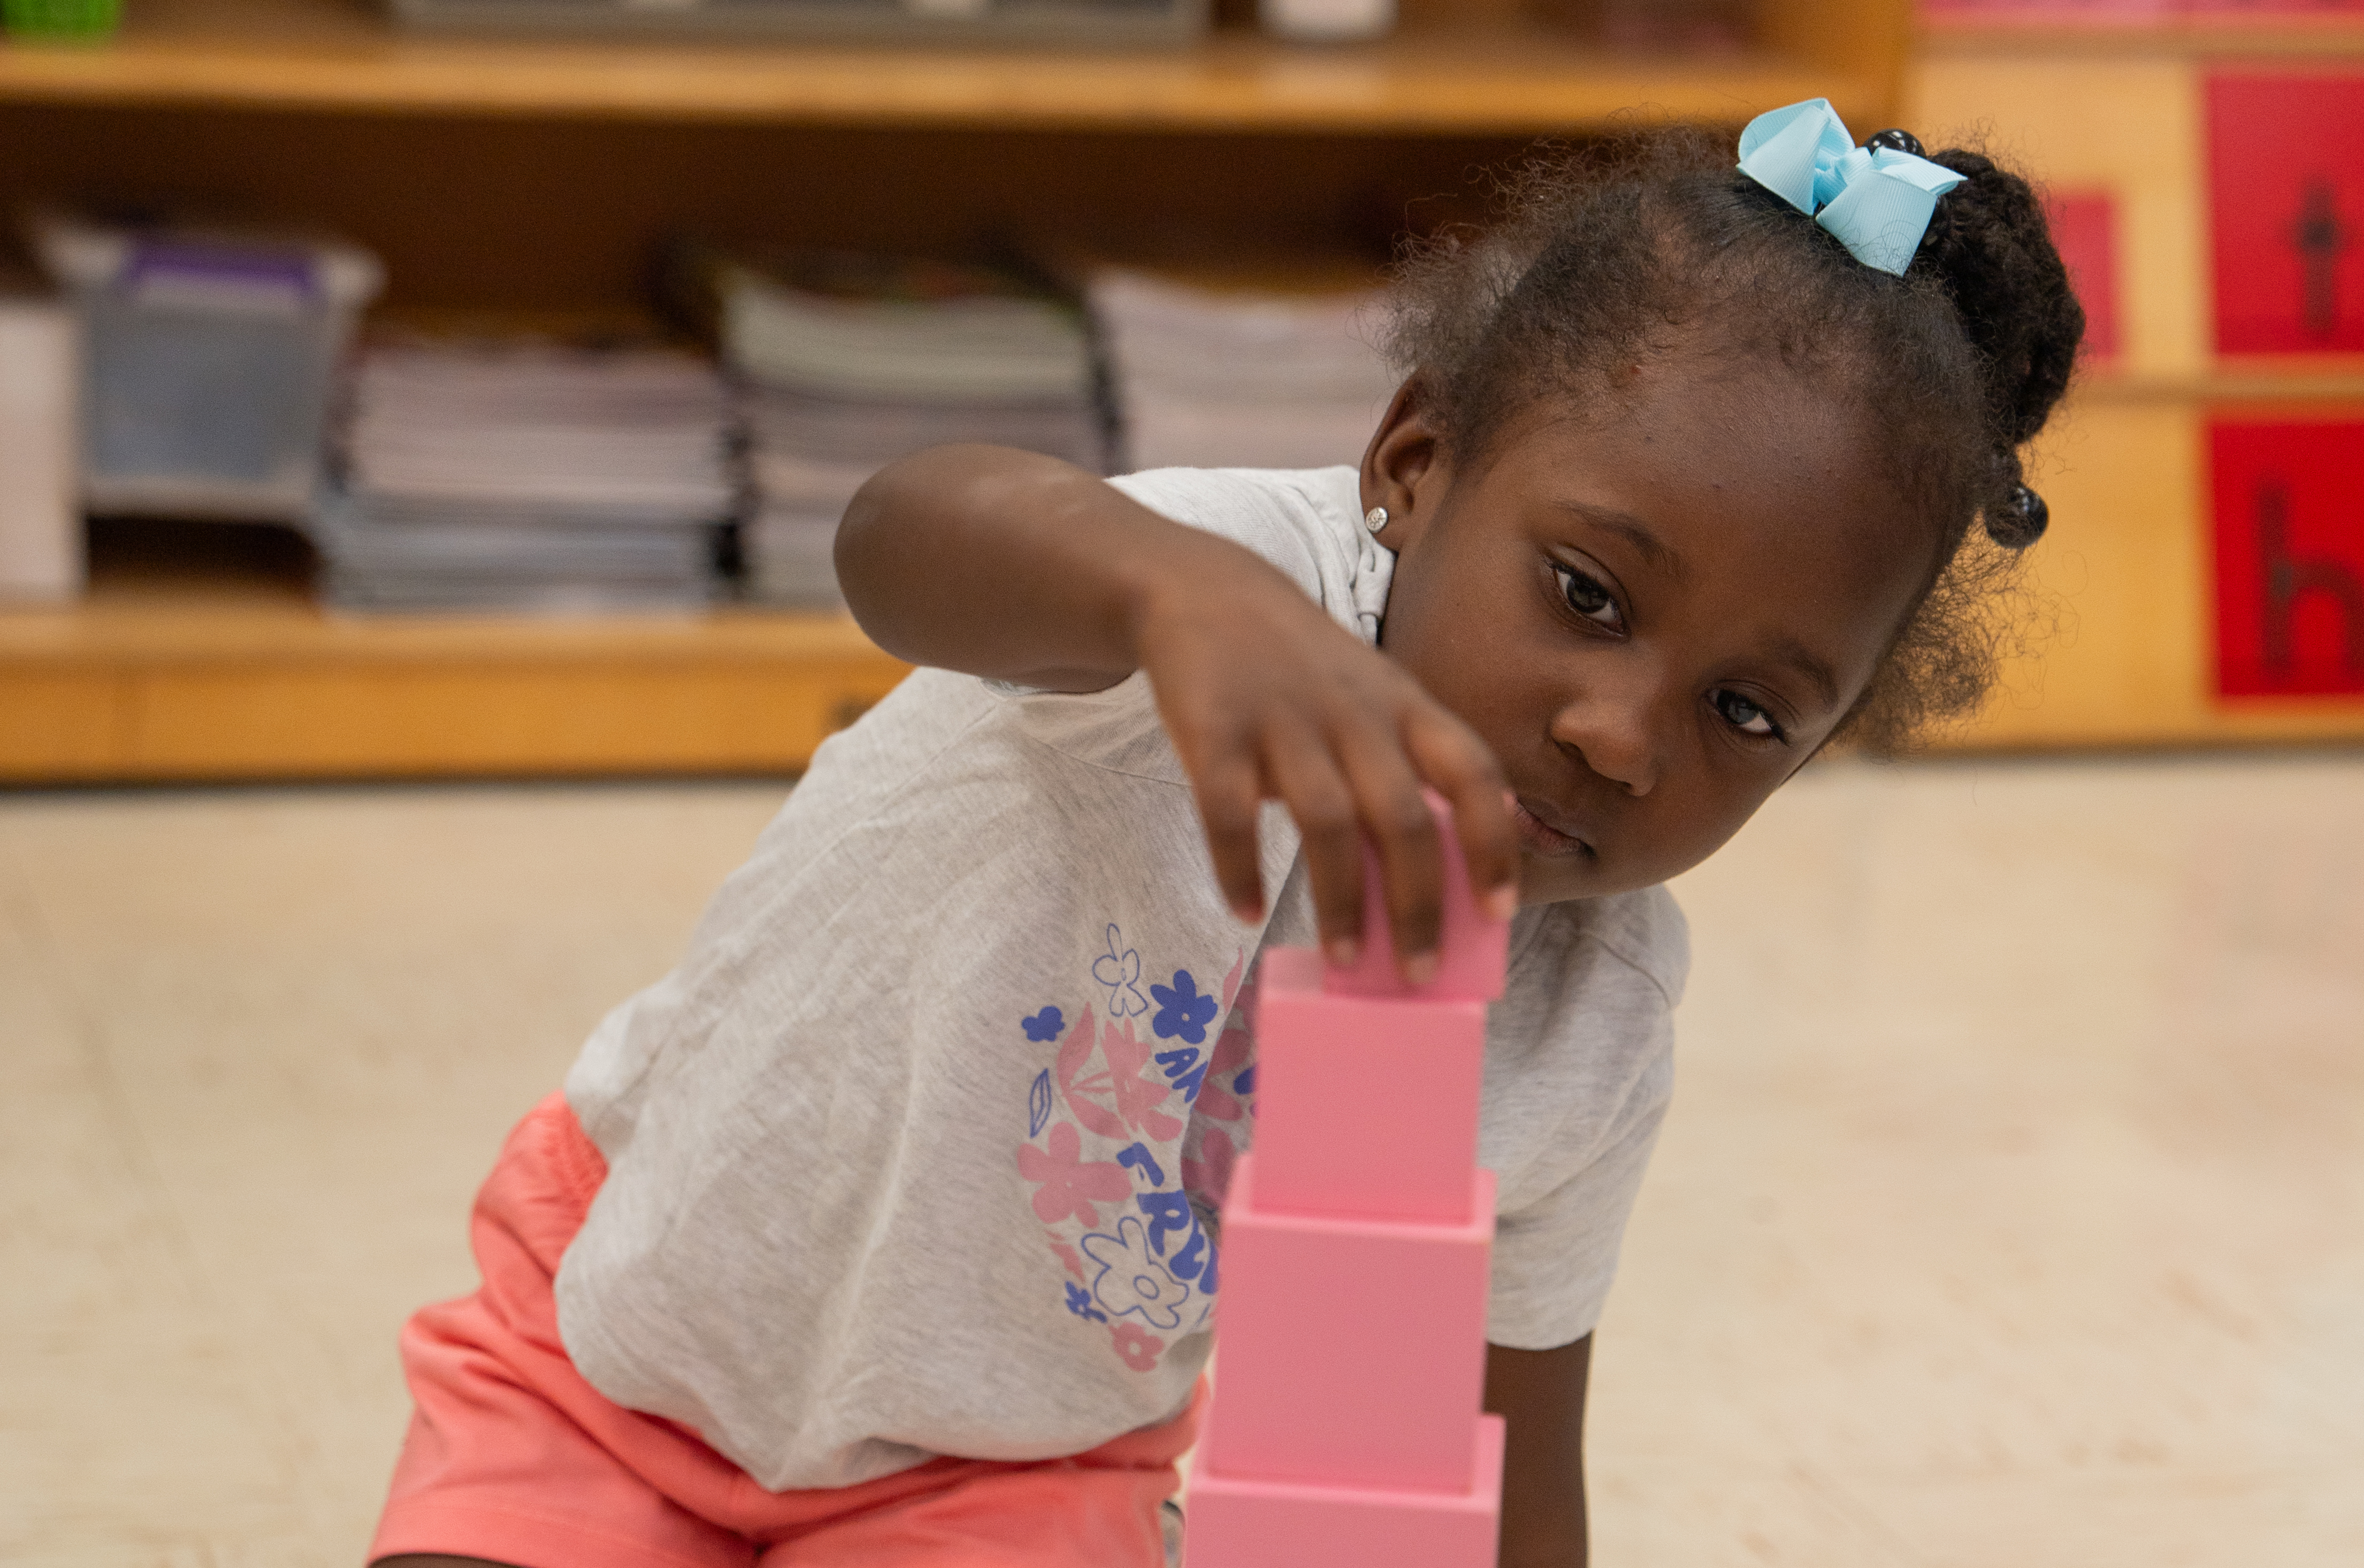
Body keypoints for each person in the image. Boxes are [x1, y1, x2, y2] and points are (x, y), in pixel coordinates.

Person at [371, 102, 2083, 1568]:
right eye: (1583, 592)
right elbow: (897, 539)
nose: (1618, 732)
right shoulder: (1228, 585)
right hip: (605, 1337)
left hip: (1007, 1468)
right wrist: (1159, 588)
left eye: (1749, 713)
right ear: (1410, 463)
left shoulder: (1588, 1016)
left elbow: (1504, 1443)